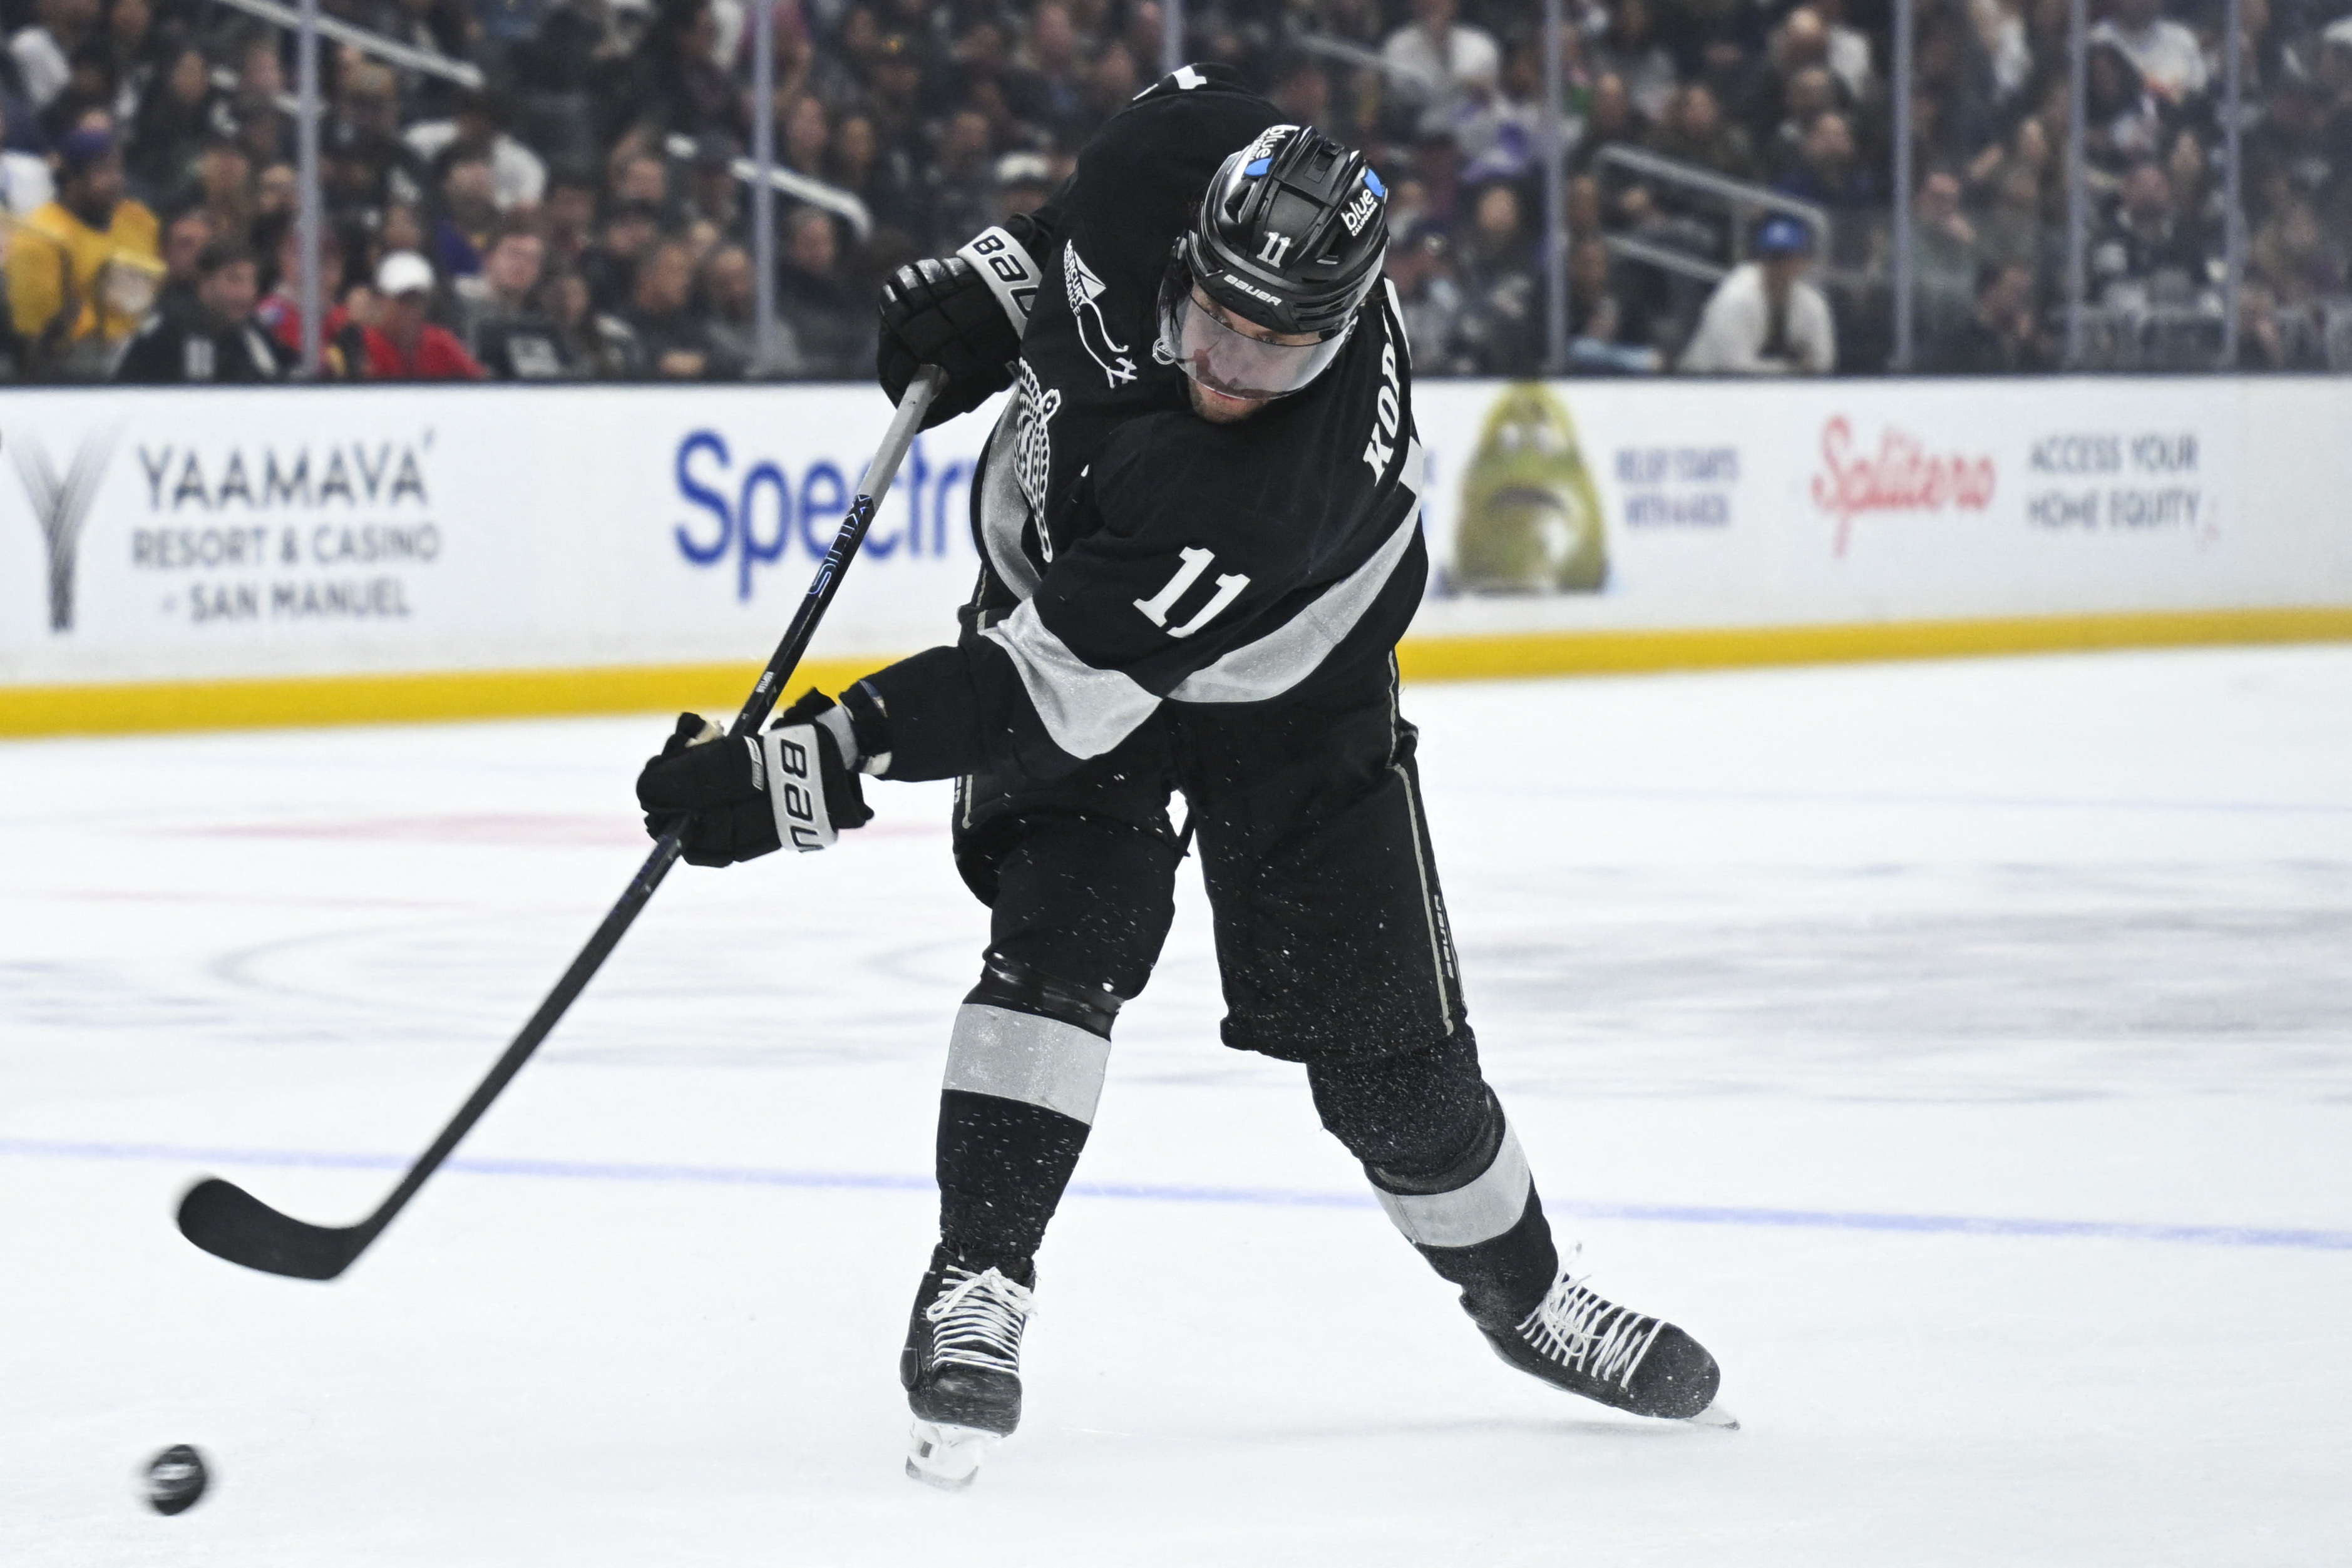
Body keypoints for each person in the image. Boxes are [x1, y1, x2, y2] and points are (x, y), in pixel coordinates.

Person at [631, 66, 1728, 1493]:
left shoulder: (1274, 482)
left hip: (1286, 682)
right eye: (1214, 321)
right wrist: (999, 280)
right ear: (1195, 244)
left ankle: (1522, 1293)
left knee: (1391, 1072)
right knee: (1061, 932)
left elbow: (1034, 690)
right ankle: (978, 1274)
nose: (1227, 368)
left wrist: (806, 769)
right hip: (1070, 581)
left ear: (1336, 337)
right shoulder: (1173, 148)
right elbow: (1070, 228)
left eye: (1274, 355)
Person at [4, 126, 161, 378]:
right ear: (71, 180)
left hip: (136, 351)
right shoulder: (41, 236)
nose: (116, 180)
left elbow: (140, 302)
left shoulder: (136, 220)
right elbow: (38, 332)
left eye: (117, 169)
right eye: (103, 171)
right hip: (66, 368)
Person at [1678, 213, 1837, 373]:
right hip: (1705, 384)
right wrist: (1793, 368)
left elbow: (1824, 361)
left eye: (1787, 257)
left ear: (1803, 261)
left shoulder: (1811, 302)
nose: (1780, 265)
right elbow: (1735, 367)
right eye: (1774, 257)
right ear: (1761, 258)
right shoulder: (1735, 297)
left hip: (1778, 388)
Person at [113, 238, 288, 382]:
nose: (246, 293)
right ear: (204, 281)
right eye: (234, 280)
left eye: (251, 282)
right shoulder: (168, 326)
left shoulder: (252, 333)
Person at [354, 249, 485, 379]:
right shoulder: (362, 344)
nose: (411, 309)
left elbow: (481, 382)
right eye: (403, 300)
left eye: (417, 300)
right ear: (381, 299)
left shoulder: (440, 342)